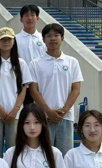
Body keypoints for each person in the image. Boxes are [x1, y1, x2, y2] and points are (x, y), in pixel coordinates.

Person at [28, 23, 83, 157]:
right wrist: (48, 111)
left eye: (56, 35)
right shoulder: (35, 63)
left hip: (65, 117)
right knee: (43, 156)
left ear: (62, 38)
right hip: (42, 117)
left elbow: (76, 89)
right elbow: (33, 90)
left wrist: (63, 111)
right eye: (49, 36)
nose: (53, 39)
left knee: (65, 156)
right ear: (43, 39)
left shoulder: (72, 62)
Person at [0, 27, 32, 157]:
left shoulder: (21, 63)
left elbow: (24, 88)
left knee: (14, 149)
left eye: (9, 39)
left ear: (14, 41)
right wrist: (0, 109)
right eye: (2, 39)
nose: (6, 42)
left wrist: (16, 109)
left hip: (15, 113)